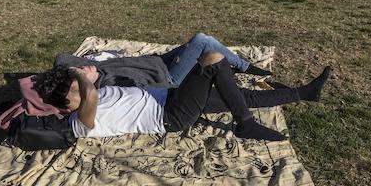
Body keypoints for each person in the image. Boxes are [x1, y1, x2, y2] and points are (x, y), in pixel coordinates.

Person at [35, 52, 331, 143]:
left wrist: (73, 73)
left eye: (77, 86)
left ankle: (304, 93)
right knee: (212, 61)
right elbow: (88, 98)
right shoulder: (81, 122)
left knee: (240, 95)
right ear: (68, 105)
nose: (82, 88)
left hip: (172, 96)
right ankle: (244, 124)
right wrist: (80, 79)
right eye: (75, 91)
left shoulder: (90, 93)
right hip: (170, 116)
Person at [54, 32, 272, 89]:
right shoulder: (106, 84)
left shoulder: (95, 70)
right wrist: (86, 78)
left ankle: (239, 66)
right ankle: (245, 67)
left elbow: (61, 58)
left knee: (203, 42)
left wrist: (80, 69)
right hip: (167, 76)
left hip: (157, 61)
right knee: (202, 40)